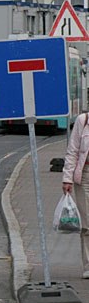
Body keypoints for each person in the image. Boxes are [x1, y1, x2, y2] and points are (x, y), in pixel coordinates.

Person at [62, 110, 89, 279]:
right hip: (85, 175)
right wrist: (67, 178)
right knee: (86, 223)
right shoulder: (83, 121)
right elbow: (72, 151)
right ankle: (88, 265)